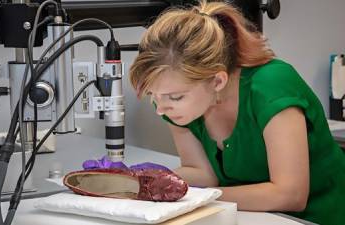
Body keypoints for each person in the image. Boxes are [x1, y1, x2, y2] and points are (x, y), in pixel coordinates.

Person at [128, 1, 345, 225]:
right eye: (153, 95)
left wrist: (198, 197)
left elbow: (290, 195)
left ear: (217, 81)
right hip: (251, 217)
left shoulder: (272, 86)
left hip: (322, 217)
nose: (161, 109)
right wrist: (142, 183)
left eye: (175, 97)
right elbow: (202, 173)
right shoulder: (173, 104)